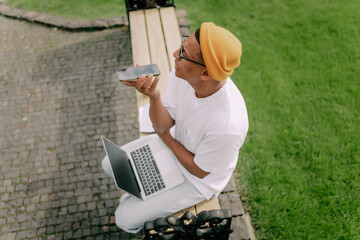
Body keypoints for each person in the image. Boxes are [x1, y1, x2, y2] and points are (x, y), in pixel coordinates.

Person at [101, 22, 248, 233]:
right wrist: (154, 96)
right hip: (174, 144)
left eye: (183, 53)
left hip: (196, 179)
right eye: (181, 45)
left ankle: (141, 198)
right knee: (110, 164)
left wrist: (166, 138)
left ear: (205, 73)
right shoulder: (185, 75)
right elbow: (164, 124)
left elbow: (199, 170)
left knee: (124, 219)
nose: (174, 53)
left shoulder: (228, 124)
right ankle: (144, 194)